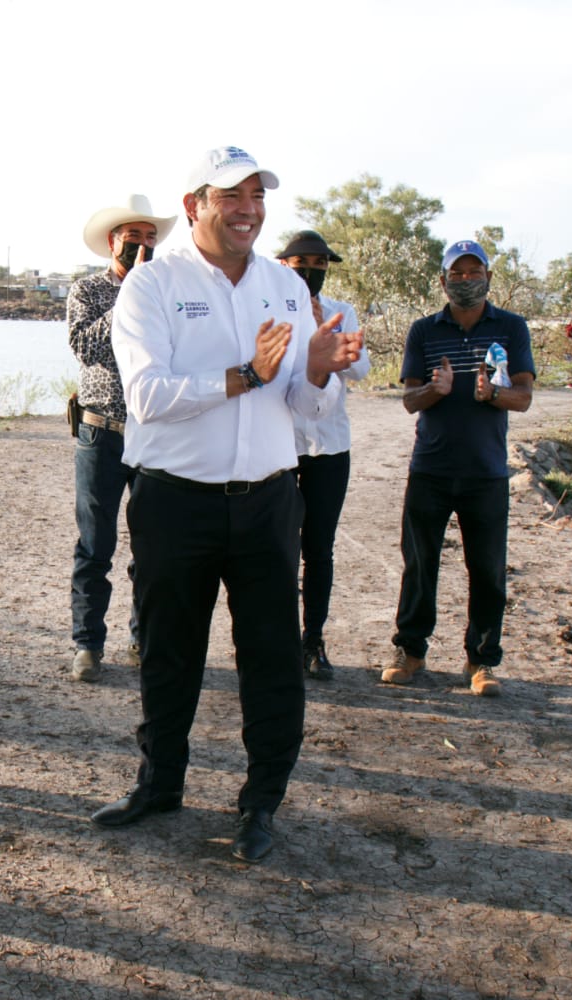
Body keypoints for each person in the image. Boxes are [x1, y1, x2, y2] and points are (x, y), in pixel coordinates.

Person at [92, 146, 363, 864]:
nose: (248, 209)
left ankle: (261, 803)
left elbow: (304, 412)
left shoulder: (283, 286)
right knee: (168, 651)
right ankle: (161, 784)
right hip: (174, 502)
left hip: (270, 502)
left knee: (272, 659)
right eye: (230, 197)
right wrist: (245, 374)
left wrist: (316, 372)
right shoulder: (152, 287)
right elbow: (147, 399)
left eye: (256, 196)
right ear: (194, 207)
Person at [380, 239, 534, 698]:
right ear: (442, 280)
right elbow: (410, 400)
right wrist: (436, 389)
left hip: (486, 472)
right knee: (420, 565)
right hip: (430, 469)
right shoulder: (424, 331)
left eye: (474, 272)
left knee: (487, 568)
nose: (466, 281)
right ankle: (410, 651)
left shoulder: (511, 328)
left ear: (489, 277)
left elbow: (523, 397)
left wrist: (492, 396)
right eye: (457, 274)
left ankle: (481, 661)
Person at [66, 194, 176, 682]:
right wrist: (129, 295)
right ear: (113, 242)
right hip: (100, 432)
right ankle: (88, 645)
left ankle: (142, 638)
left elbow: (174, 353)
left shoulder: (166, 290)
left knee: (154, 546)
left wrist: (144, 290)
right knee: (95, 545)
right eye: (134, 239)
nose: (143, 247)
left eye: (150, 239)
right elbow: (87, 348)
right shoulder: (87, 291)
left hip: (153, 434)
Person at [274, 230, 370, 681]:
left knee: (320, 549)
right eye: (301, 263)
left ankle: (313, 640)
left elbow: (362, 369)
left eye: (319, 263)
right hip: (281, 447)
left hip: (330, 447)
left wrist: (321, 334)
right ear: (283, 264)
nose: (311, 271)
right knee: (278, 548)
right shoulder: (270, 308)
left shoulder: (340, 312)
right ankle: (277, 640)